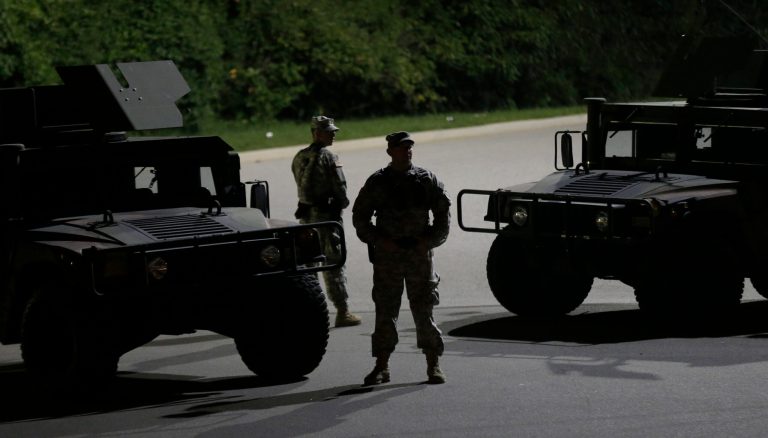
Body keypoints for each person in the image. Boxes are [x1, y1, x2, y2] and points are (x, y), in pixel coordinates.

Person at [352, 131, 451, 385]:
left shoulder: (426, 179)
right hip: (389, 256)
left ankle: (433, 364)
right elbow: (360, 217)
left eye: (409, 147)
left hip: (419, 256)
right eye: (401, 147)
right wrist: (379, 240)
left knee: (424, 309)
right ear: (390, 151)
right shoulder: (378, 182)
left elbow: (443, 216)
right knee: (385, 310)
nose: (407, 151)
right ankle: (382, 365)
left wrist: (427, 242)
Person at [292, 115, 362, 327]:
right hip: (326, 219)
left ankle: (309, 310)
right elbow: (340, 188)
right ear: (317, 133)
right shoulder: (329, 157)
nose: (333, 135)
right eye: (329, 131)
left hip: (306, 218)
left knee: (309, 263)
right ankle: (342, 311)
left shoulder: (299, 157)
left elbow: (298, 181)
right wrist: (341, 203)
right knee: (333, 263)